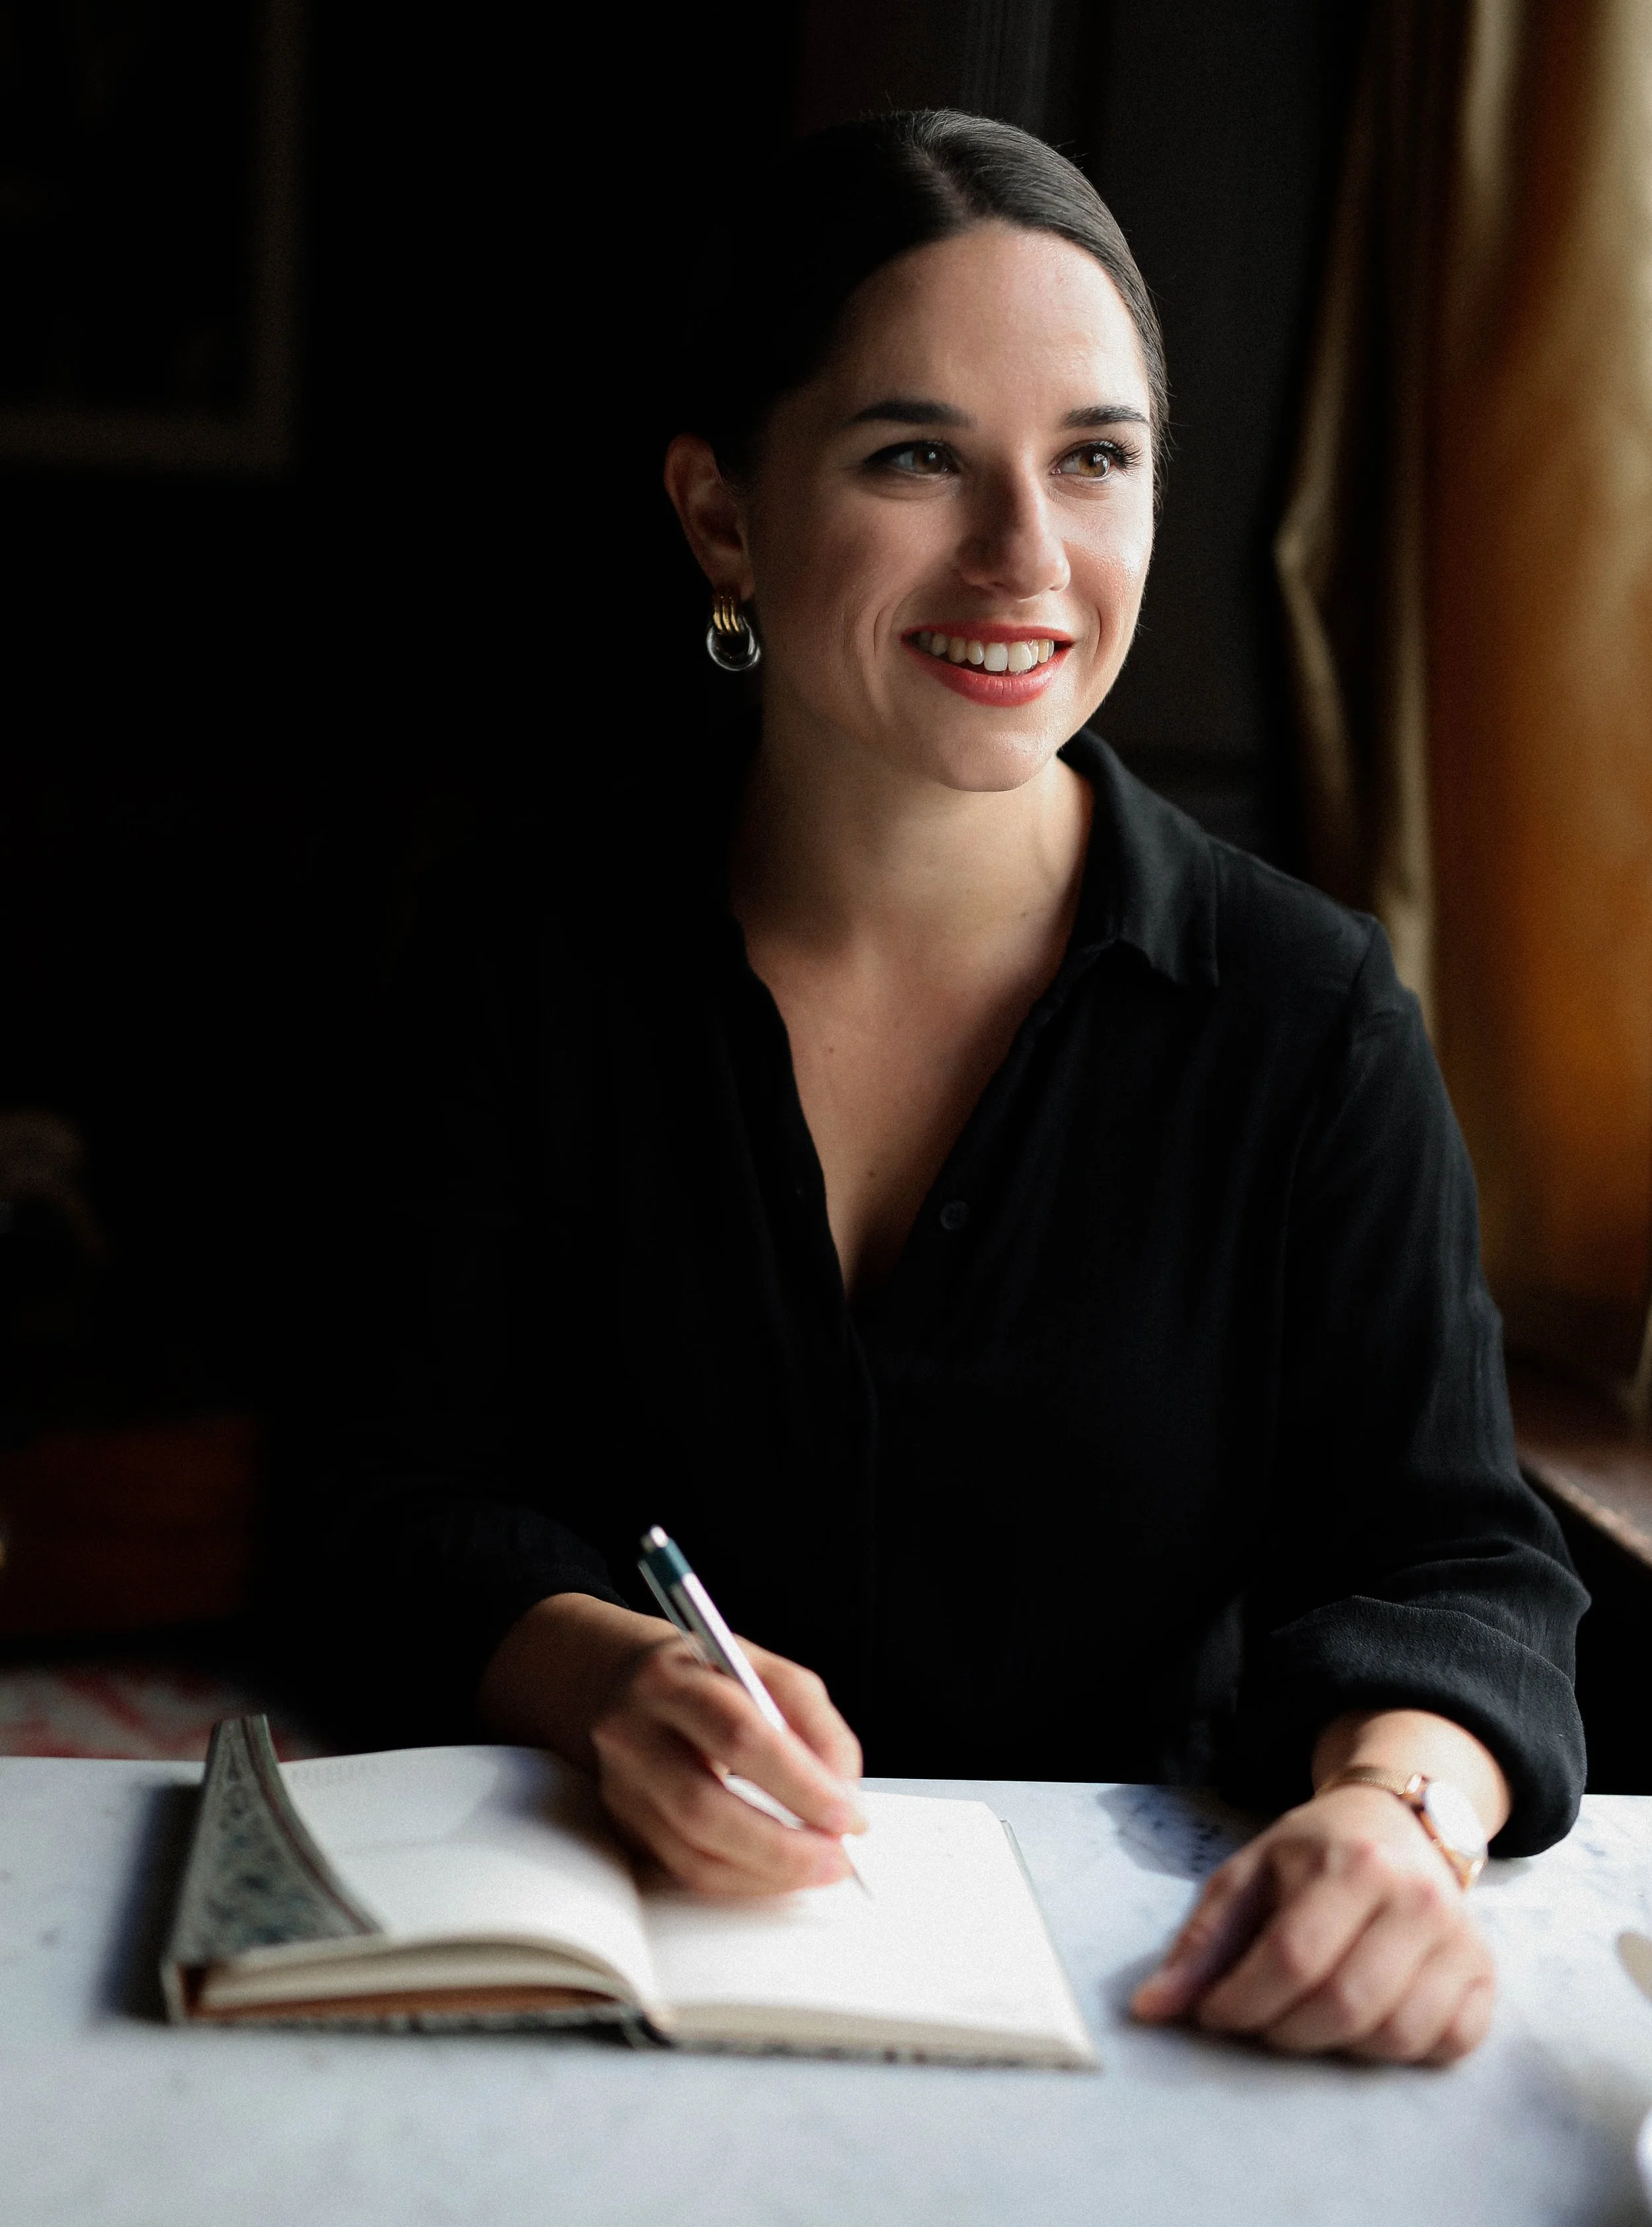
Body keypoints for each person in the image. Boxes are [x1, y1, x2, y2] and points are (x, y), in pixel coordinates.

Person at [334, 112, 1587, 2067]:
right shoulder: (522, 955)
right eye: (915, 457)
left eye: (1094, 459)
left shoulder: (1306, 1015)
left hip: (1147, 2014)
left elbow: (1452, 1566)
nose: (1027, 558)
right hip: (594, 1998)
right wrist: (606, 1680)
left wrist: (1395, 1815)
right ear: (722, 517)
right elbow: (388, 1497)